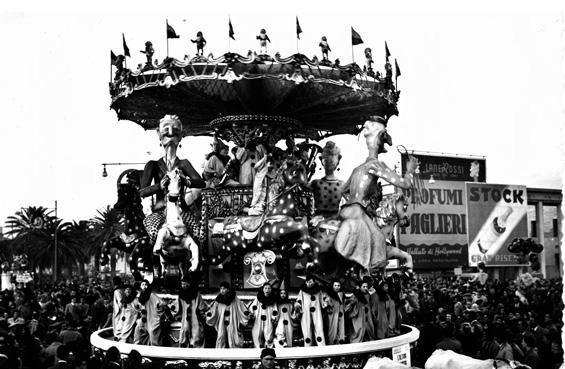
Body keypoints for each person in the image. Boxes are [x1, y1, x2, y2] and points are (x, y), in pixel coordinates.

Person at [335, 116, 417, 274]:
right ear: (380, 141)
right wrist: (410, 170)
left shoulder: (357, 168)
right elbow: (405, 184)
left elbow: (343, 191)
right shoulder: (375, 165)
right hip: (358, 213)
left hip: (345, 211)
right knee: (379, 243)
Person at [139, 114, 206, 244]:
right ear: (158, 133)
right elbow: (142, 192)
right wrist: (159, 186)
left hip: (182, 212)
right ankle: (153, 261)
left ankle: (199, 262)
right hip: (160, 212)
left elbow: (201, 183)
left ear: (181, 135)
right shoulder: (152, 165)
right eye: (166, 129)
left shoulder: (184, 164)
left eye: (175, 130)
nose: (170, 133)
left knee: (199, 235)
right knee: (153, 235)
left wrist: (186, 181)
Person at [206, 281, 250, 348]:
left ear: (228, 289)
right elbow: (214, 309)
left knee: (233, 335)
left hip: (232, 319)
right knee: (221, 335)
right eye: (221, 289)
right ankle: (220, 352)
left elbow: (240, 306)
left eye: (224, 288)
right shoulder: (218, 299)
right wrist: (209, 315)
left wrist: (246, 313)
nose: (222, 290)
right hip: (222, 320)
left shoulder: (234, 298)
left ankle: (235, 351)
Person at [309, 141, 343, 219]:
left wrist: (309, 172)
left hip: (317, 221)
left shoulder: (315, 183)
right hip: (335, 220)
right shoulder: (343, 184)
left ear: (321, 161)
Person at [295, 275, 325, 346]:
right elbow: (299, 300)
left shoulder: (318, 291)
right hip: (306, 312)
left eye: (311, 282)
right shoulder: (302, 291)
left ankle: (322, 347)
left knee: (319, 328)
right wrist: (297, 304)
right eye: (307, 282)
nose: (309, 283)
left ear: (314, 282)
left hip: (317, 312)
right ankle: (308, 348)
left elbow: (323, 302)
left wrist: (326, 302)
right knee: (306, 330)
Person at [136, 279, 166, 346]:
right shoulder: (141, 296)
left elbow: (162, 304)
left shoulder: (152, 295)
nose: (144, 286)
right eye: (143, 285)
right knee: (138, 330)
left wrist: (158, 313)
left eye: (146, 285)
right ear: (141, 286)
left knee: (153, 333)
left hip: (152, 317)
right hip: (144, 318)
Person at [177, 280, 206, 348]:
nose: (183, 286)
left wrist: (202, 312)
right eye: (182, 284)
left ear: (188, 284)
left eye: (185, 284)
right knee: (185, 330)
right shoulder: (181, 294)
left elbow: (201, 305)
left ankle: (194, 345)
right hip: (185, 316)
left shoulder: (196, 293)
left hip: (195, 316)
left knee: (195, 333)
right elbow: (178, 305)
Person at [249, 282, 278, 348]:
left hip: (268, 318)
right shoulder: (258, 298)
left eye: (269, 288)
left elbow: (275, 310)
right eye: (265, 288)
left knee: (269, 334)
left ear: (271, 290)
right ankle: (258, 349)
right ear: (263, 289)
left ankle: (268, 348)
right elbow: (254, 306)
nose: (267, 290)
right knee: (257, 334)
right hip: (258, 317)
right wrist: (252, 314)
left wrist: (274, 317)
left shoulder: (273, 299)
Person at [322, 279, 345, 345]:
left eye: (338, 285)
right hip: (332, 315)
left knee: (341, 330)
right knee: (332, 331)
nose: (337, 287)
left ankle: (340, 346)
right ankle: (331, 345)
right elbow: (324, 305)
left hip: (340, 315)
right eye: (335, 285)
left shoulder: (341, 294)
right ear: (332, 286)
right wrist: (327, 302)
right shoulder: (328, 294)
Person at [274, 281, 296, 347]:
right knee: (280, 333)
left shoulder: (289, 304)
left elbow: (292, 313)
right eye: (281, 293)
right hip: (280, 321)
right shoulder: (277, 304)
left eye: (284, 293)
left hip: (289, 321)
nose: (283, 295)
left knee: (289, 336)